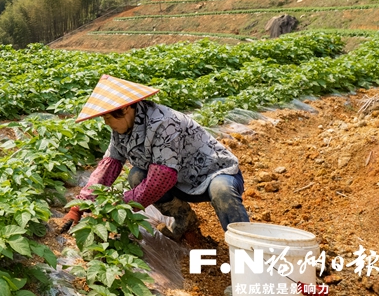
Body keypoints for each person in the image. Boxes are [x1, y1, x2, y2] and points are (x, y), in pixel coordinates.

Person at [56, 74, 250, 241]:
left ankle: (247, 251)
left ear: (125, 109)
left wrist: (121, 205)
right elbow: (108, 167)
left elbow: (161, 179)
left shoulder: (164, 123)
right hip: (181, 180)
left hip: (213, 174)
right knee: (136, 176)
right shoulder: (122, 131)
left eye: (108, 117)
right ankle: (184, 220)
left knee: (221, 190)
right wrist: (80, 206)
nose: (106, 123)